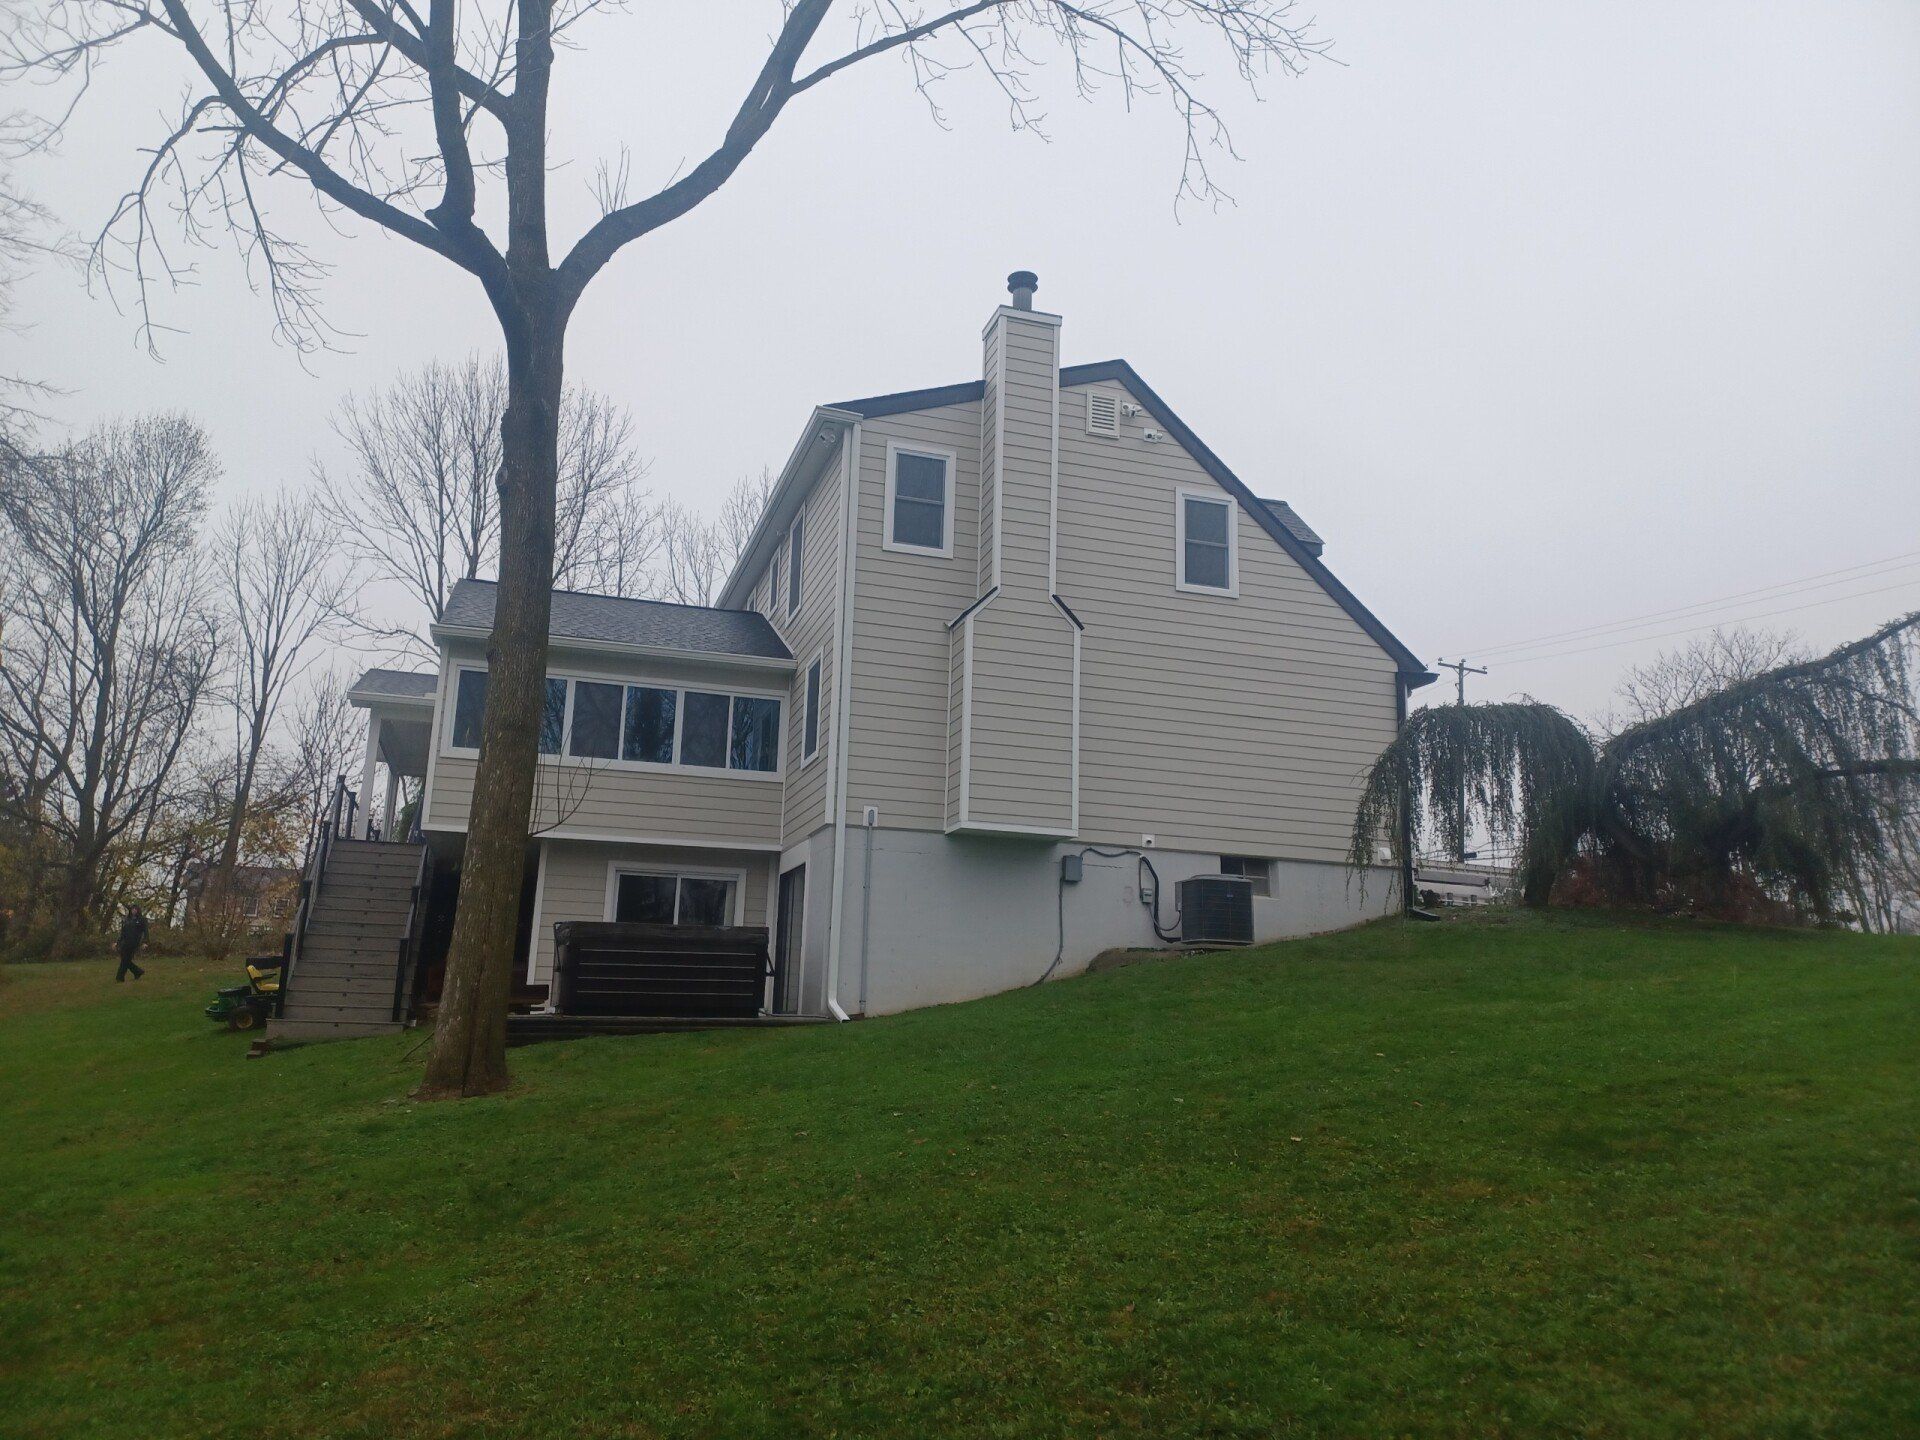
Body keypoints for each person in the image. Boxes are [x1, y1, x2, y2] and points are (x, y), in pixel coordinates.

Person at [115, 905, 149, 982]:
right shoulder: (127, 920)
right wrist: (117, 942)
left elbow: (146, 932)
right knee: (125, 959)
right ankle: (138, 972)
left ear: (138, 910)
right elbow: (122, 933)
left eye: (135, 909)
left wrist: (145, 942)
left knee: (125, 960)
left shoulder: (142, 920)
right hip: (125, 942)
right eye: (132, 909)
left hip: (134, 942)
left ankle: (119, 978)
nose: (134, 911)